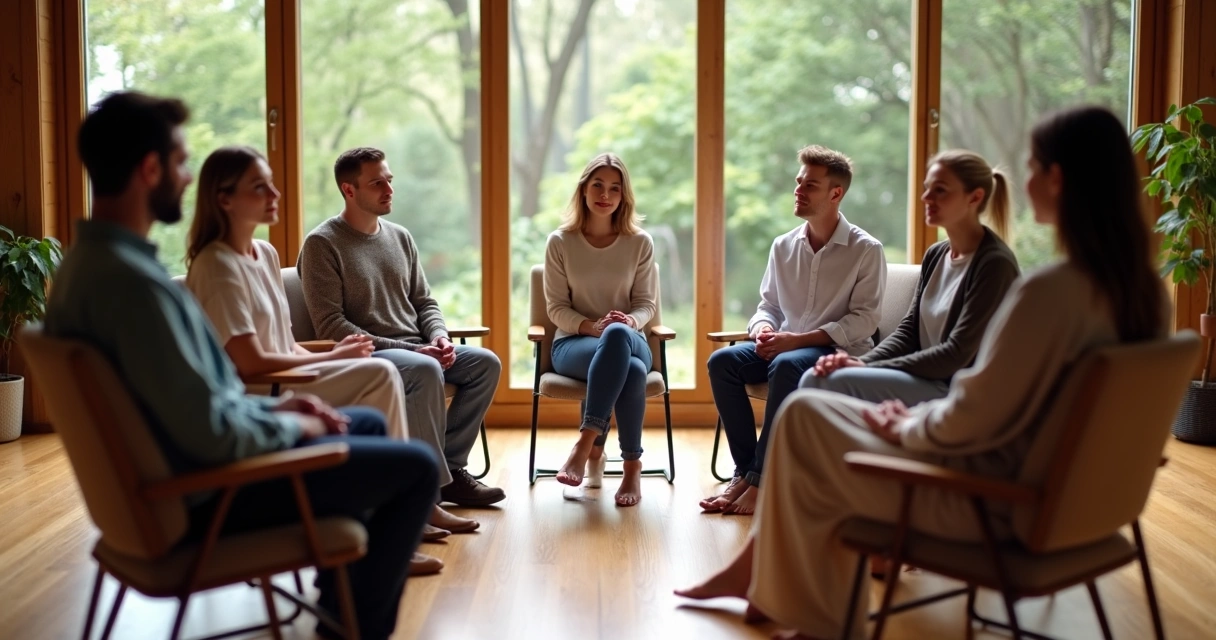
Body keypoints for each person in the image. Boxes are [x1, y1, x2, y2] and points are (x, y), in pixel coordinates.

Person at [675, 105, 1168, 640]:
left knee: (804, 417)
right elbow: (1001, 403)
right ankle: (768, 580)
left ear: (1057, 178)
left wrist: (905, 429)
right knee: (811, 408)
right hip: (1076, 501)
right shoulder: (1144, 296)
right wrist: (876, 385)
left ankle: (801, 605)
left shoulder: (1047, 293)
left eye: (1030, 165)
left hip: (993, 505)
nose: (1022, 181)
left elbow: (973, 402)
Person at [46, 91, 437, 640]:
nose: (187, 179)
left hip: (173, 482)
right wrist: (295, 422)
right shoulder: (134, 290)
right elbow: (211, 431)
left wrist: (293, 407)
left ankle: (339, 604)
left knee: (368, 424)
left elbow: (200, 398)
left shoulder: (86, 270)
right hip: (209, 497)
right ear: (150, 168)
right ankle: (352, 630)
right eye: (182, 163)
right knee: (415, 468)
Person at [183, 146, 467, 574]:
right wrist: (330, 356)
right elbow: (248, 364)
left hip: (286, 369)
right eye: (260, 187)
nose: (275, 193)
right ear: (224, 199)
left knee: (381, 372)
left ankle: (397, 508)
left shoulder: (264, 254)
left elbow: (287, 343)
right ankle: (397, 516)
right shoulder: (216, 265)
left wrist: (333, 353)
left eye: (271, 182)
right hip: (265, 387)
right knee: (381, 373)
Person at [298, 147, 505, 507]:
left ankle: (449, 471)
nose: (389, 189)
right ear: (349, 190)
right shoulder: (321, 244)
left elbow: (424, 301)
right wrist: (416, 351)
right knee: (425, 368)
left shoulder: (401, 237)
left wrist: (440, 337)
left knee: (486, 363)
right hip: (371, 354)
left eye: (389, 180)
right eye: (377, 183)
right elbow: (331, 326)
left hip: (415, 346)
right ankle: (427, 488)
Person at [703, 145, 886, 515]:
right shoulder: (783, 246)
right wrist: (764, 328)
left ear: (836, 193)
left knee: (785, 366)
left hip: (836, 353)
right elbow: (766, 305)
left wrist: (797, 340)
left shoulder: (866, 250)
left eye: (811, 185)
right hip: (785, 348)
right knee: (722, 362)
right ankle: (745, 470)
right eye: (799, 182)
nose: (798, 191)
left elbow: (864, 320)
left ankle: (760, 480)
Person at [802, 150, 1020, 404]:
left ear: (975, 197)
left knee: (817, 381)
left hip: (957, 392)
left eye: (940, 190)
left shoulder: (994, 264)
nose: (926, 197)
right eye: (927, 188)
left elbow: (955, 355)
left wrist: (866, 369)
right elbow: (909, 332)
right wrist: (859, 362)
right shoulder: (937, 254)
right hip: (925, 379)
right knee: (816, 377)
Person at [544, 153, 656, 507]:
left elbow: (646, 305)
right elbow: (556, 308)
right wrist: (592, 327)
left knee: (619, 336)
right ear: (583, 189)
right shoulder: (560, 243)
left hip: (630, 337)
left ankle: (585, 445)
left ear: (624, 197)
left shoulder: (640, 243)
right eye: (598, 185)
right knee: (633, 372)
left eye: (614, 189)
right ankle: (631, 467)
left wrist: (627, 322)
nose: (605, 195)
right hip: (574, 345)